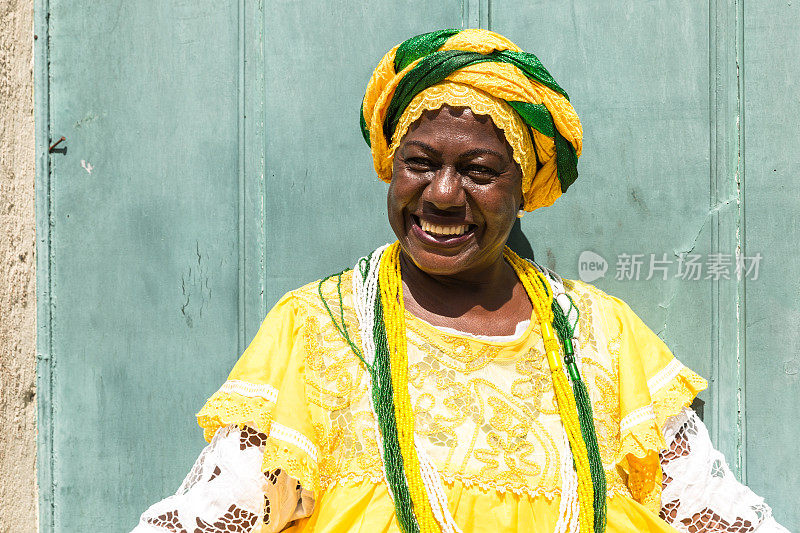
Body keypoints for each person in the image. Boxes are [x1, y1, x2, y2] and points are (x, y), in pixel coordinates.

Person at [133, 29, 789, 533]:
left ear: (523, 189)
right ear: (391, 167)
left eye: (478, 170)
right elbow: (225, 509)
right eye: (418, 163)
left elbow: (707, 506)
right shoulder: (319, 329)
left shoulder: (601, 335)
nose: (442, 194)